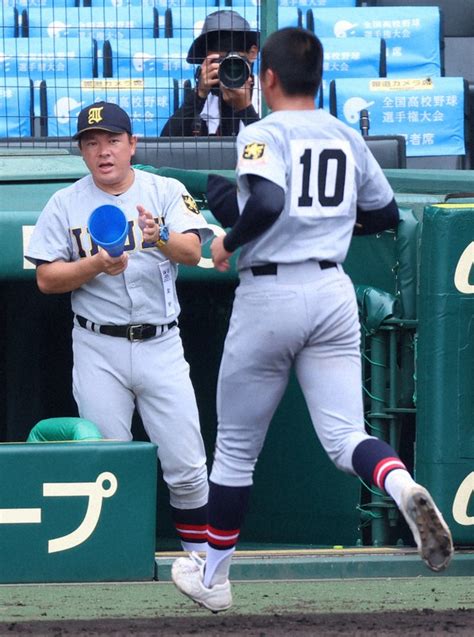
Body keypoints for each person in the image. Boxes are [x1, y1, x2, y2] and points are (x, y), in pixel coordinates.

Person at [171, 27, 454, 612]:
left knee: (236, 452)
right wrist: (324, 224)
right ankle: (401, 484)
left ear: (265, 79)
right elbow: (384, 214)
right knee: (347, 435)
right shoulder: (345, 134)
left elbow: (269, 204)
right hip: (331, 288)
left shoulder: (266, 132)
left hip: (271, 290)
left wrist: (226, 242)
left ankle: (215, 578)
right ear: (319, 79)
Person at [25, 101, 214, 553]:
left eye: (112, 140)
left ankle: (203, 565)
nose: (103, 151)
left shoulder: (164, 189)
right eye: (91, 143)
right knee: (106, 464)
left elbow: (193, 252)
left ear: (132, 144)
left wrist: (159, 237)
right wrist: (94, 265)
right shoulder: (64, 202)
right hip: (97, 344)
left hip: (161, 342)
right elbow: (46, 278)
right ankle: (116, 567)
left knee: (187, 466)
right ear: (83, 152)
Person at [160, 10, 260, 137]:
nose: (228, 68)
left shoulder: (265, 96)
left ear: (252, 53)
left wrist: (246, 109)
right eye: (219, 61)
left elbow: (277, 151)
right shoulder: (203, 97)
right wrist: (199, 95)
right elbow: (165, 145)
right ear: (205, 61)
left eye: (235, 61)